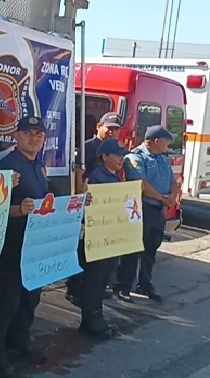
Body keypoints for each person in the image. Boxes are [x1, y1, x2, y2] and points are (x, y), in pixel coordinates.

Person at [0, 116, 50, 377]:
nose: (34, 138)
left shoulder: (37, 165)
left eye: (38, 134)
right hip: (10, 248)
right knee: (4, 302)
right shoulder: (7, 167)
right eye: (28, 133)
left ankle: (19, 342)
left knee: (29, 299)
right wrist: (19, 210)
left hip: (33, 247)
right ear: (16, 137)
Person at [113, 126, 178, 303]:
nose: (169, 144)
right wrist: (163, 199)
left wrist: (172, 196)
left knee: (151, 249)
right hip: (141, 209)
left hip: (158, 210)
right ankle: (123, 285)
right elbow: (141, 184)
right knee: (132, 249)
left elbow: (173, 181)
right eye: (167, 141)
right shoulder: (135, 157)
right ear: (157, 141)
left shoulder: (163, 158)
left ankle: (144, 283)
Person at [67, 112, 121, 306]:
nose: (112, 132)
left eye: (116, 129)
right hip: (88, 203)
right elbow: (79, 173)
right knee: (82, 250)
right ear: (99, 125)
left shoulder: (116, 148)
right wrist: (80, 193)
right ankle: (74, 288)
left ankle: (91, 288)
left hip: (103, 207)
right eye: (109, 128)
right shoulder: (88, 146)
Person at [78, 139, 128, 338]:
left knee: (102, 279)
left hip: (109, 238)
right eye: (117, 155)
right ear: (104, 157)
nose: (121, 159)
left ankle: (95, 317)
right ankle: (91, 319)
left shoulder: (113, 176)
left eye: (123, 155)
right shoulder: (97, 177)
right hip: (97, 238)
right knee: (95, 279)